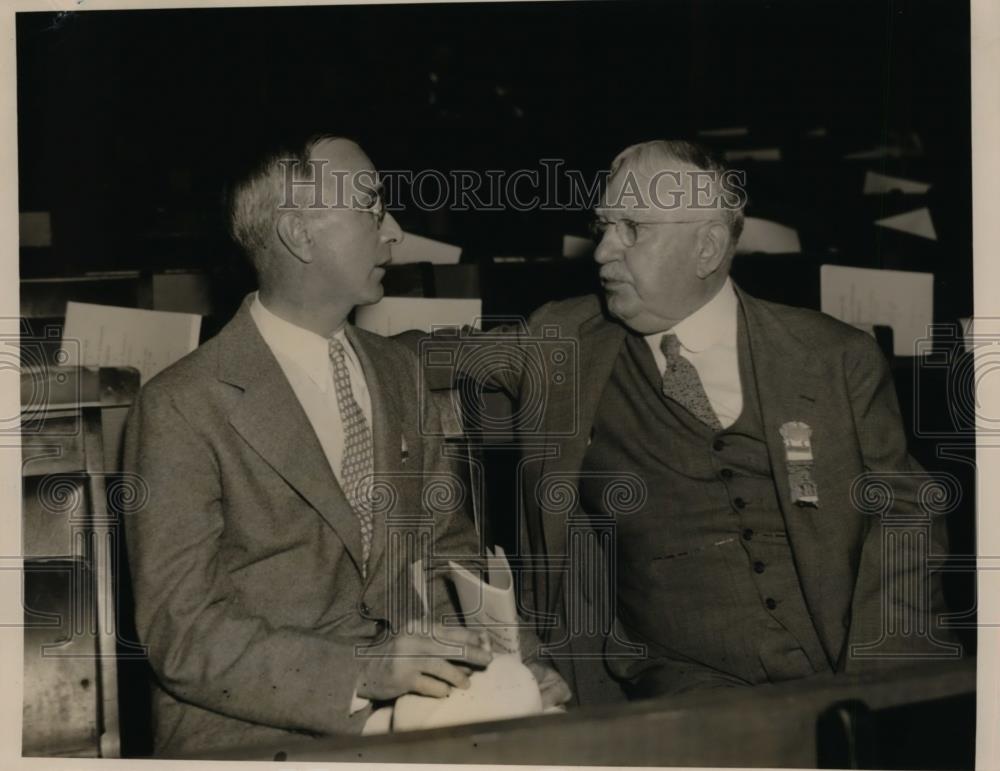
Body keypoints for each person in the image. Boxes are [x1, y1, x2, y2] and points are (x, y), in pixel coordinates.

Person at [447, 139, 956, 704]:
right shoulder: (563, 341)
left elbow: (905, 521)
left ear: (707, 247)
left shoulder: (834, 357)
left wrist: (878, 694)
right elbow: (415, 361)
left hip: (841, 670)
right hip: (677, 687)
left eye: (632, 229)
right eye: (603, 225)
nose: (602, 252)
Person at [123, 134, 501, 756]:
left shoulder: (398, 372)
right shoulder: (181, 405)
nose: (394, 231)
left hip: (414, 709)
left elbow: (444, 547)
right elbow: (181, 632)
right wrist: (362, 671)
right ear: (300, 235)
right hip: (255, 729)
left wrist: (501, 654)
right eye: (372, 206)